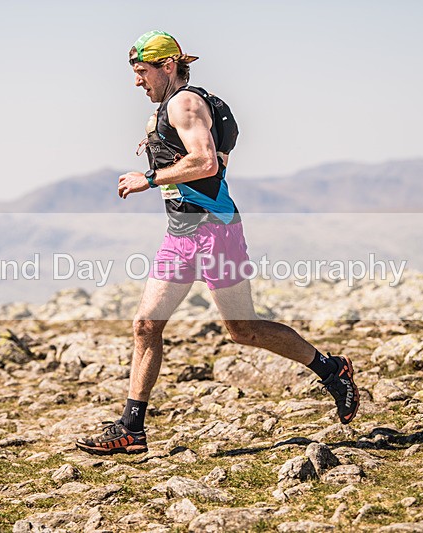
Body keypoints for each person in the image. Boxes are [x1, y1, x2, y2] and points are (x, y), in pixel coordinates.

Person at [75, 30, 359, 456]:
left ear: (167, 66)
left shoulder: (185, 104)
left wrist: (148, 178)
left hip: (215, 232)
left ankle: (332, 370)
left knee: (243, 330)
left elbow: (205, 161)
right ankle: (132, 429)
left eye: (142, 71)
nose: (137, 81)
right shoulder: (171, 109)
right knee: (146, 325)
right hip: (181, 233)